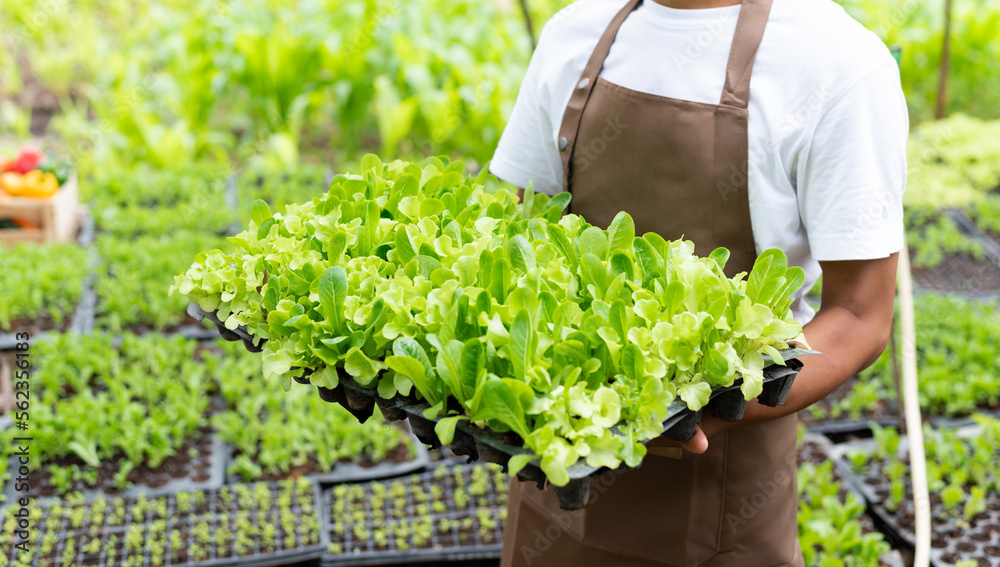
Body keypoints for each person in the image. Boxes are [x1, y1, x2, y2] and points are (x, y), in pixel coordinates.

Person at [488, 0, 907, 565]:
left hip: (720, 498)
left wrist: (691, 409)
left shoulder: (837, 64)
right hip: (555, 473)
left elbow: (860, 316)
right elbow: (528, 249)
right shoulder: (575, 32)